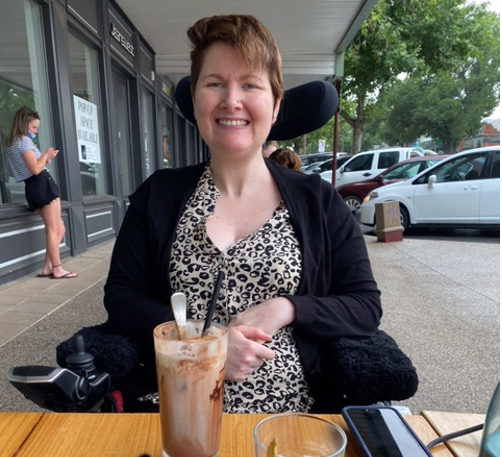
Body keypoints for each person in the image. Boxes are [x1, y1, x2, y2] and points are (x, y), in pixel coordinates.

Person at [104, 14, 382, 414]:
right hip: (176, 413)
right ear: (196, 100)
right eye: (214, 83)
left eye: (250, 84)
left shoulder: (319, 201)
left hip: (290, 421)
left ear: (275, 104)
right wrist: (202, 341)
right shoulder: (159, 195)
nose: (231, 100)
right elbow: (121, 295)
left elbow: (364, 305)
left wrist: (286, 307)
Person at [6, 107, 77, 279]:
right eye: (34, 128)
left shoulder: (13, 143)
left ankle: (47, 267)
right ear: (24, 124)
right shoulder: (24, 142)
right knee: (55, 229)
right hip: (42, 185)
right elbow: (36, 169)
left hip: (32, 187)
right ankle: (57, 268)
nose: (35, 131)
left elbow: (31, 169)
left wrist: (46, 157)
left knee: (57, 229)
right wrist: (45, 153)